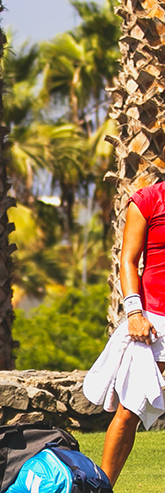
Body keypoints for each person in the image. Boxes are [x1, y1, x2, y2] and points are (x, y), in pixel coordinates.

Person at [98, 183, 165, 485]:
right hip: (155, 320)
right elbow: (128, 259)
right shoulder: (149, 199)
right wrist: (134, 313)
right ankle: (102, 488)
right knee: (129, 413)